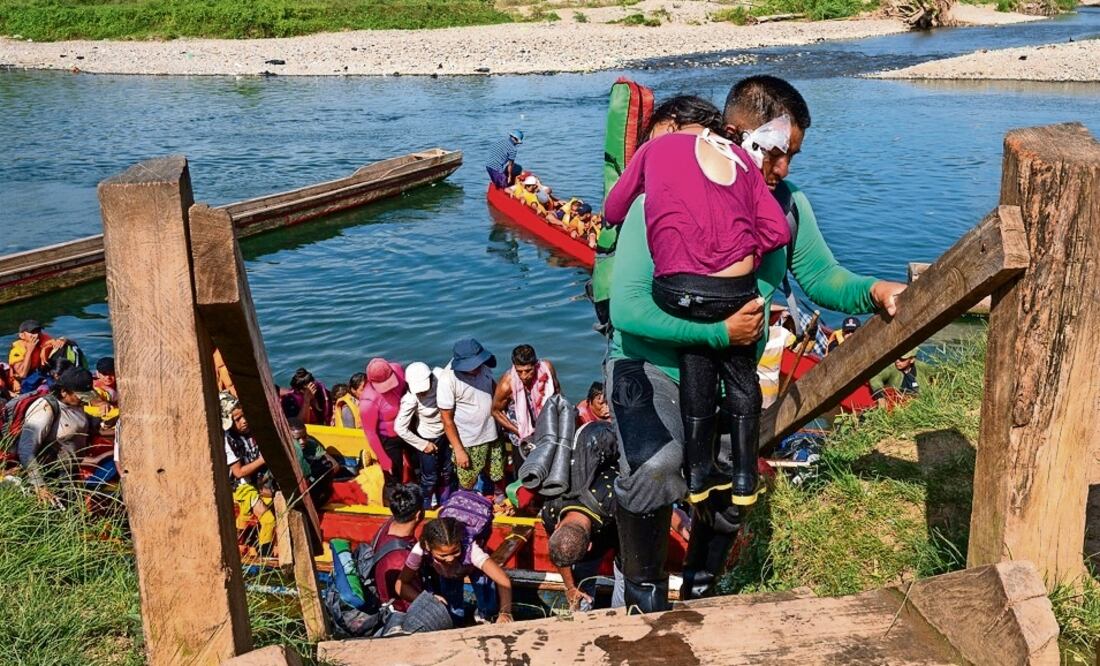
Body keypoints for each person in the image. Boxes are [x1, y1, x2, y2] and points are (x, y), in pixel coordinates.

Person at [605, 76, 908, 612]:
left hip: (729, 371)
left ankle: (703, 590)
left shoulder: (786, 206)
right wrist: (716, 332)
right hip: (647, 365)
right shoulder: (664, 188)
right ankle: (639, 589)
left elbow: (822, 279)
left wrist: (876, 290)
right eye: (778, 153)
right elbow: (629, 309)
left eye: (793, 156)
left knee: (728, 491)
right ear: (736, 134)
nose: (784, 170)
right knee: (658, 464)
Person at [603, 94, 791, 509]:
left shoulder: (657, 149)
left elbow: (613, 208)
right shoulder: (741, 161)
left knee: (696, 367)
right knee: (743, 385)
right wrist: (741, 256)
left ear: (669, 126)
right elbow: (777, 232)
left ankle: (698, 476)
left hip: (681, 295)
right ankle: (745, 481)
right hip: (737, 295)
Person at [541, 420, 623, 611]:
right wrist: (570, 587)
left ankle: (622, 615)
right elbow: (562, 555)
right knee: (583, 578)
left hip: (620, 530)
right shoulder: (550, 511)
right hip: (594, 532)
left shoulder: (614, 500)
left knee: (625, 575)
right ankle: (582, 608)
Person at [397, 516, 514, 624]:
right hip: (447, 574)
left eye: (455, 552)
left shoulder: (471, 549)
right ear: (428, 546)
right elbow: (400, 585)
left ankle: (487, 616)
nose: (450, 559)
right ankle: (457, 621)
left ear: (460, 542)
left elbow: (503, 580)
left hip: (474, 569)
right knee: (452, 611)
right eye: (442, 555)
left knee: (488, 606)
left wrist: (505, 613)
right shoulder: (420, 549)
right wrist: (427, 600)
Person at [16, 366, 97, 506]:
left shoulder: (76, 405)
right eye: (80, 396)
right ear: (64, 392)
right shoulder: (45, 408)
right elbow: (26, 449)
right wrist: (40, 486)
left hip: (70, 475)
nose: (84, 400)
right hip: (49, 477)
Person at [438, 339, 504, 494]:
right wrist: (459, 450)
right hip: (470, 440)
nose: (476, 368)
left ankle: (499, 497)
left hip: (493, 433)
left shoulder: (484, 367)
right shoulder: (447, 380)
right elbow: (446, 420)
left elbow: (494, 389)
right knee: (467, 479)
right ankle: (466, 503)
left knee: (497, 472)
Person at [395, 362, 454, 509]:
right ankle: (426, 507)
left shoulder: (441, 378)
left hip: (446, 434)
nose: (422, 393)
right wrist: (422, 445)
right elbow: (400, 427)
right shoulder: (410, 399)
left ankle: (445, 502)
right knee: (429, 478)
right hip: (428, 437)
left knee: (448, 471)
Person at [223, 398, 275, 555]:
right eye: (238, 419)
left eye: (244, 416)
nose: (244, 421)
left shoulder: (253, 429)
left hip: (259, 479)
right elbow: (238, 472)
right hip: (241, 485)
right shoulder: (228, 440)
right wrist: (262, 460)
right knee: (269, 520)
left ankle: (244, 540)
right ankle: (265, 555)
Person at [491, 344, 559, 451]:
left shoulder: (547, 369)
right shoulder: (507, 384)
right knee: (522, 467)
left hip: (547, 430)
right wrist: (520, 432)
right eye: (519, 371)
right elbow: (495, 411)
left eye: (528, 371)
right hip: (521, 439)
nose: (524, 376)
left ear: (535, 365)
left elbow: (558, 394)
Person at [359, 358, 408, 504]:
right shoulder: (368, 401)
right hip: (389, 440)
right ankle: (390, 511)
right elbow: (371, 433)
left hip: (408, 432)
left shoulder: (398, 370)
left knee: (418, 467)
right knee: (393, 479)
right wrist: (384, 460)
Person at [8, 320, 63, 392]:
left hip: (41, 372)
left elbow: (56, 342)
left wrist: (64, 340)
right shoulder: (17, 350)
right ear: (22, 335)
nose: (36, 335)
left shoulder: (43, 338)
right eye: (32, 332)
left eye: (38, 331)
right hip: (25, 379)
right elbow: (22, 374)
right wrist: (29, 351)